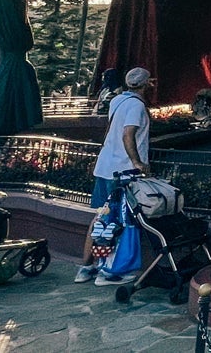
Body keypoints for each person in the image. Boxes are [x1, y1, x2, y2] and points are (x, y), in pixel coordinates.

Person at [75, 67, 154, 285]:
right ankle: (110, 271)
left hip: (105, 167)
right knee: (120, 220)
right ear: (146, 84)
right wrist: (137, 162)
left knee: (100, 218)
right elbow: (128, 134)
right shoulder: (136, 106)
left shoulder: (117, 100)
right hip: (122, 171)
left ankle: (86, 266)